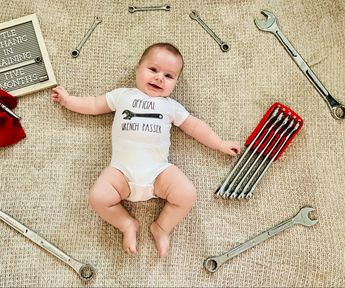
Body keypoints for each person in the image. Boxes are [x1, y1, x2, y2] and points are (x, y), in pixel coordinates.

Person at [51, 43, 240, 258]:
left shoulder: (170, 106)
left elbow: (195, 127)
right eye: (153, 70)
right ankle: (126, 224)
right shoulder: (123, 95)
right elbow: (94, 105)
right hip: (121, 172)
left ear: (176, 83)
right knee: (98, 197)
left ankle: (161, 227)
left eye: (169, 76)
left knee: (187, 194)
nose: (160, 78)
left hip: (158, 173)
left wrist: (219, 143)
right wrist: (68, 101)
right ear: (137, 69)